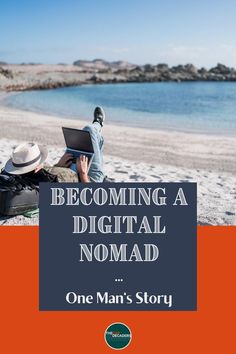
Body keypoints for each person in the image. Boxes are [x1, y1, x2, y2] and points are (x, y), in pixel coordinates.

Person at [3, 106, 106, 184]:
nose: (42, 163)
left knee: (89, 139)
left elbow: (52, 175)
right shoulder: (40, 183)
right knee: (90, 131)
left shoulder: (31, 178)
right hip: (88, 179)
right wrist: (83, 173)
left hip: (70, 168)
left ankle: (98, 126)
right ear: (35, 168)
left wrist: (58, 165)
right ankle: (98, 123)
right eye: (39, 161)